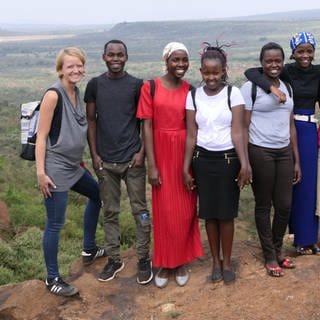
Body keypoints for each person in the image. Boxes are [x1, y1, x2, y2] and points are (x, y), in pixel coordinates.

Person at [36, 47, 105, 297]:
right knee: (55, 223)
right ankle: (52, 278)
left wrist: (82, 160)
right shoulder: (54, 95)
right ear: (60, 69)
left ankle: (88, 249)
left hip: (74, 166)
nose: (75, 70)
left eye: (79, 66)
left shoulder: (77, 92)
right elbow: (42, 137)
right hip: (55, 168)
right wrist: (41, 173)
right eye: (70, 67)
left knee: (99, 194)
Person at [244, 32, 320, 255]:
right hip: (286, 128)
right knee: (291, 190)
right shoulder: (286, 70)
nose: (305, 55)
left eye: (309, 50)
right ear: (293, 53)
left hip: (306, 130)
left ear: (314, 51)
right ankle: (298, 239)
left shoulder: (318, 72)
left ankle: (308, 238)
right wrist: (272, 88)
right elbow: (251, 72)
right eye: (300, 51)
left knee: (307, 187)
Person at [84, 39, 152, 285]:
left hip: (132, 160)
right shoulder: (94, 85)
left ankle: (144, 258)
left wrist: (141, 152)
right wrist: (94, 155)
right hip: (105, 162)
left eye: (119, 54)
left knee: (140, 211)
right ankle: (114, 259)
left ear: (126, 57)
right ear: (104, 57)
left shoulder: (136, 85)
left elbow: (145, 122)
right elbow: (91, 120)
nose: (115, 58)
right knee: (110, 212)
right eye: (111, 54)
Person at [137, 42, 203, 288]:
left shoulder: (190, 90)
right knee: (164, 212)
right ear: (166, 61)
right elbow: (146, 127)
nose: (181, 65)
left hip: (185, 154)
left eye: (184, 60)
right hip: (161, 153)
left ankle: (182, 260)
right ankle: (166, 263)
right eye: (176, 60)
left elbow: (193, 128)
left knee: (186, 210)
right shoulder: (150, 87)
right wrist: (152, 165)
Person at [183, 42, 249, 284]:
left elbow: (239, 132)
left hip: (228, 159)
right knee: (210, 214)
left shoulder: (234, 94)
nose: (211, 77)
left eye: (216, 72)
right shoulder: (193, 96)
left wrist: (245, 164)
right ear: (201, 72)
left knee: (227, 214)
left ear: (224, 71)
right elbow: (191, 134)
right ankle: (215, 262)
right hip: (202, 160)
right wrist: (185, 167)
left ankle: (228, 261)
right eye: (207, 72)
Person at [241, 42, 301, 277]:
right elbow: (244, 127)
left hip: (284, 150)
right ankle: (269, 255)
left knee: (285, 206)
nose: (274, 64)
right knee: (264, 205)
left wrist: (296, 159)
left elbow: (291, 125)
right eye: (269, 61)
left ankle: (278, 249)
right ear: (262, 63)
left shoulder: (288, 86)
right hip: (260, 151)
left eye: (278, 60)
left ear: (283, 62)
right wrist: (245, 161)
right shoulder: (250, 88)